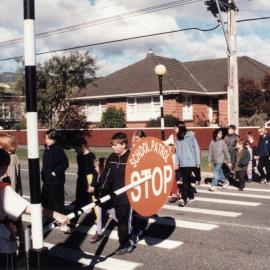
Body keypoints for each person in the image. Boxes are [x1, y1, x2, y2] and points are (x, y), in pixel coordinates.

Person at [0, 149, 69, 270]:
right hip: (3, 245)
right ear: (4, 167)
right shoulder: (3, 189)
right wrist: (56, 215)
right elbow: (28, 208)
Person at [102, 132, 134, 255]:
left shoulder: (132, 158)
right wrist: (102, 190)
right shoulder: (111, 158)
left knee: (124, 220)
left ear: (124, 145)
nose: (112, 147)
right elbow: (106, 176)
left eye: (115, 145)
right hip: (114, 196)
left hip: (128, 197)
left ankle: (126, 244)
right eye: (112, 145)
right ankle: (125, 240)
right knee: (120, 220)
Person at [89, 158, 117, 243]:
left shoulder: (106, 176)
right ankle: (98, 233)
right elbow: (94, 183)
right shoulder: (97, 174)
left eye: (96, 167)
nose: (95, 169)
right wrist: (92, 187)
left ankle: (130, 226)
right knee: (100, 218)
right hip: (100, 201)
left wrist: (97, 190)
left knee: (117, 217)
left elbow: (107, 188)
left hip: (108, 202)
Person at [41, 129, 69, 213]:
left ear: (55, 139)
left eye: (49, 139)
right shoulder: (47, 149)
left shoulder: (58, 150)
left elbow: (65, 163)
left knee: (56, 204)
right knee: (46, 201)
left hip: (56, 182)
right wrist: (43, 173)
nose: (47, 140)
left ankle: (58, 220)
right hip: (47, 180)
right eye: (46, 138)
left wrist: (55, 172)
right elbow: (46, 164)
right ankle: (48, 219)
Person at [175, 121, 200, 207]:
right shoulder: (178, 138)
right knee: (187, 181)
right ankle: (191, 196)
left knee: (185, 181)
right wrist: (176, 163)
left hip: (190, 162)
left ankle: (183, 199)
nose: (174, 129)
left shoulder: (191, 136)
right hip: (182, 163)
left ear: (180, 128)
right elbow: (177, 152)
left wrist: (198, 162)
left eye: (176, 128)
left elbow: (196, 149)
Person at [73, 137, 96, 210]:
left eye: (76, 149)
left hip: (88, 181)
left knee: (89, 202)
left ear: (83, 146)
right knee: (79, 201)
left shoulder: (91, 156)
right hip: (80, 181)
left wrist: (92, 184)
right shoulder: (79, 156)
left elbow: (94, 171)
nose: (75, 151)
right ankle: (76, 218)